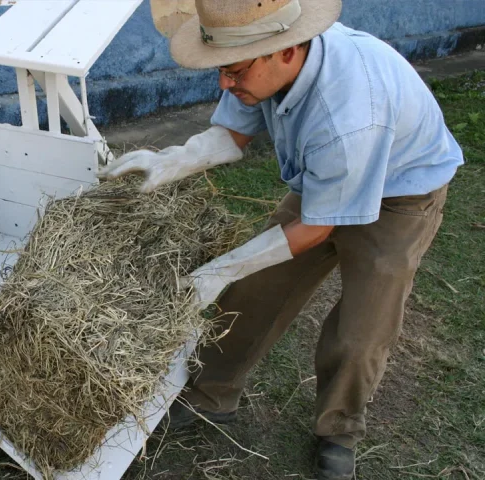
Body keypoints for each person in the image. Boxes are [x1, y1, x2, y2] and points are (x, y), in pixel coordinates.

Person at [97, 0, 464, 478]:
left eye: (234, 72)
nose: (225, 83)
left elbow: (315, 229)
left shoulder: (348, 115)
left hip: (399, 195)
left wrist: (220, 267)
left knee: (362, 330)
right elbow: (233, 132)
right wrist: (174, 158)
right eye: (222, 70)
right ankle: (211, 396)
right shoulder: (257, 53)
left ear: (286, 52)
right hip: (324, 181)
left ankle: (338, 431)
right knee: (255, 289)